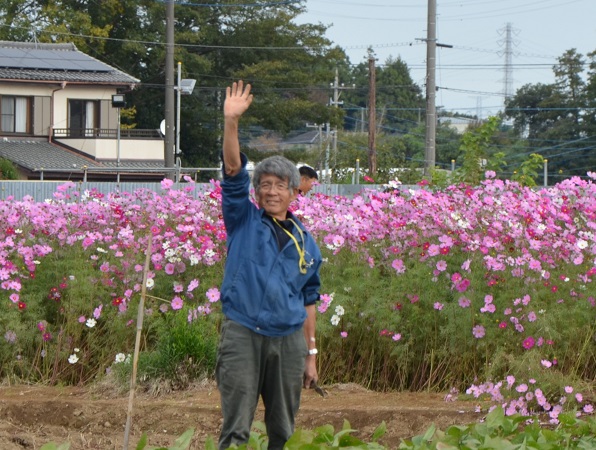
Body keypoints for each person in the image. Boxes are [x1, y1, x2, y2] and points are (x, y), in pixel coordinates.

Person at [216, 80, 323, 450]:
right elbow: (232, 170)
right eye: (265, 184)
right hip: (243, 333)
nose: (272, 191)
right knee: (236, 430)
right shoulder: (243, 219)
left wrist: (311, 356)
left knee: (284, 431)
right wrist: (231, 122)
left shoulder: (307, 242)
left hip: (289, 340)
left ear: (296, 192)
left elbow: (309, 300)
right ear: (257, 191)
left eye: (280, 184)